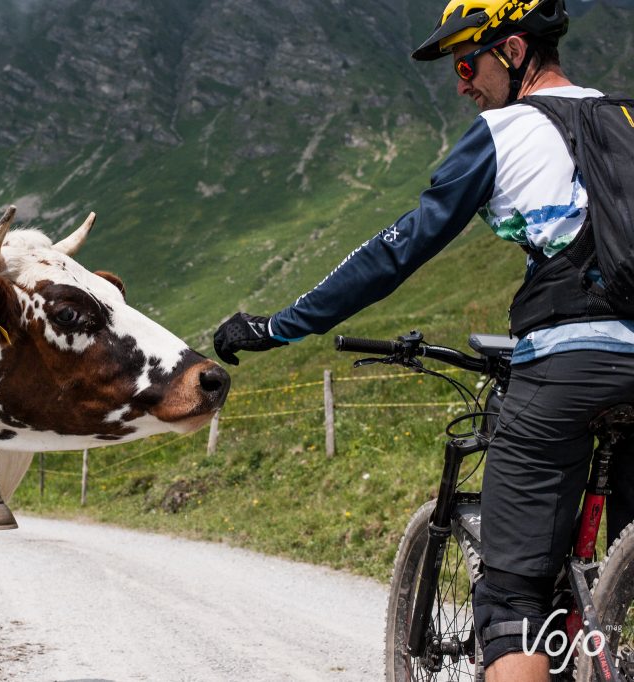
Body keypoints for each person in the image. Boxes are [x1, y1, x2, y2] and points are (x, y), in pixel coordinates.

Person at [213, 1, 634, 680]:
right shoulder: (626, 116)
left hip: (567, 369)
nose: (462, 83)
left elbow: (394, 252)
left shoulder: (505, 132)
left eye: (468, 64)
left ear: (515, 52)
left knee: (514, 599)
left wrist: (278, 326)